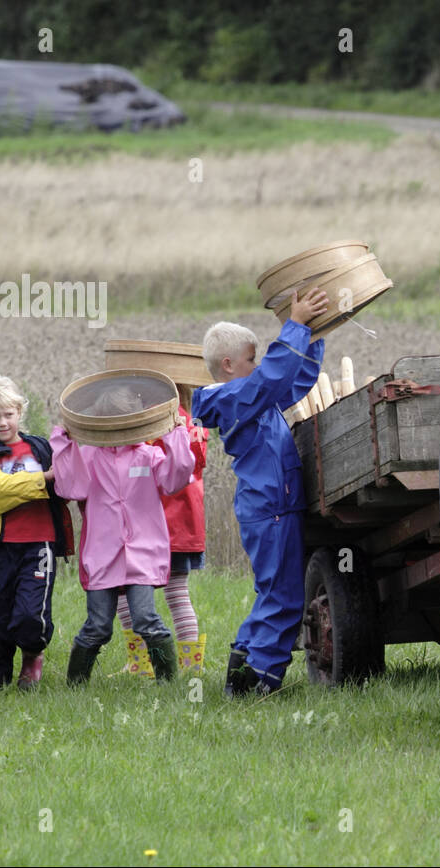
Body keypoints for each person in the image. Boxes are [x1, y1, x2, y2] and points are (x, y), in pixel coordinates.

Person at [192, 287, 327, 696]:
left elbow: (293, 380)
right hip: (270, 509)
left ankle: (241, 671)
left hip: (272, 507)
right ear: (229, 365)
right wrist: (295, 327)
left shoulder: (249, 397)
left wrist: (314, 336)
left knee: (273, 591)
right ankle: (259, 683)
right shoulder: (233, 398)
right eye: (252, 358)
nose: (259, 363)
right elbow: (271, 377)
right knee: (285, 598)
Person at [49, 406, 194, 684]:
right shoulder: (89, 456)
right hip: (102, 554)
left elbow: (177, 478)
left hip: (143, 552)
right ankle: (75, 685)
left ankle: (167, 682)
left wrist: (176, 434)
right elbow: (71, 489)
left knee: (146, 619)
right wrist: (64, 443)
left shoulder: (149, 455)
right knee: (98, 626)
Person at [0, 373, 74, 690]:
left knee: (29, 614)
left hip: (38, 545)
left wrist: (49, 477)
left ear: (20, 412)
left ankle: (32, 655)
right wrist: (42, 480)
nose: (2, 422)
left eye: (8, 414)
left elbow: (66, 483)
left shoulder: (40, 448)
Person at [116, 392, 210, 676]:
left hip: (153, 525)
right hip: (185, 526)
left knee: (124, 592)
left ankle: (140, 664)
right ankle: (191, 667)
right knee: (178, 594)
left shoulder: (151, 418)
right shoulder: (192, 420)